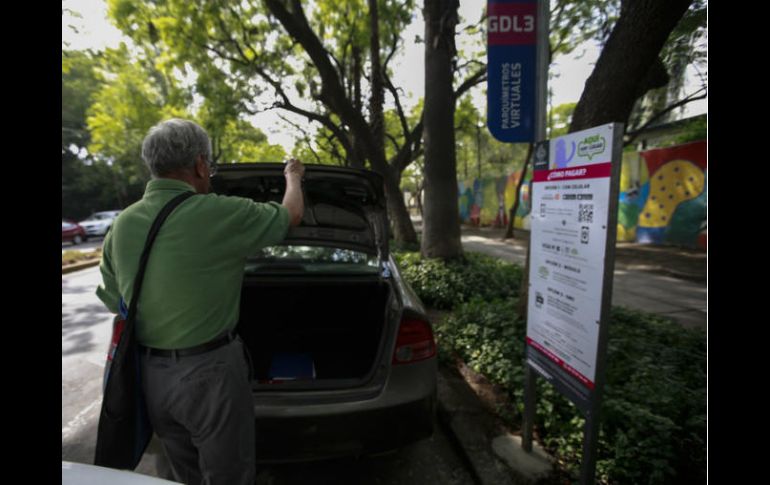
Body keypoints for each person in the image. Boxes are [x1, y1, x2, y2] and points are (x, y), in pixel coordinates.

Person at [95, 118, 305, 485]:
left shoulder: (121, 226)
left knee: (183, 472)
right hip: (211, 375)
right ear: (199, 165)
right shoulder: (219, 212)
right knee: (229, 474)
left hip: (151, 376)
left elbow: (116, 300)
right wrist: (294, 177)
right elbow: (291, 216)